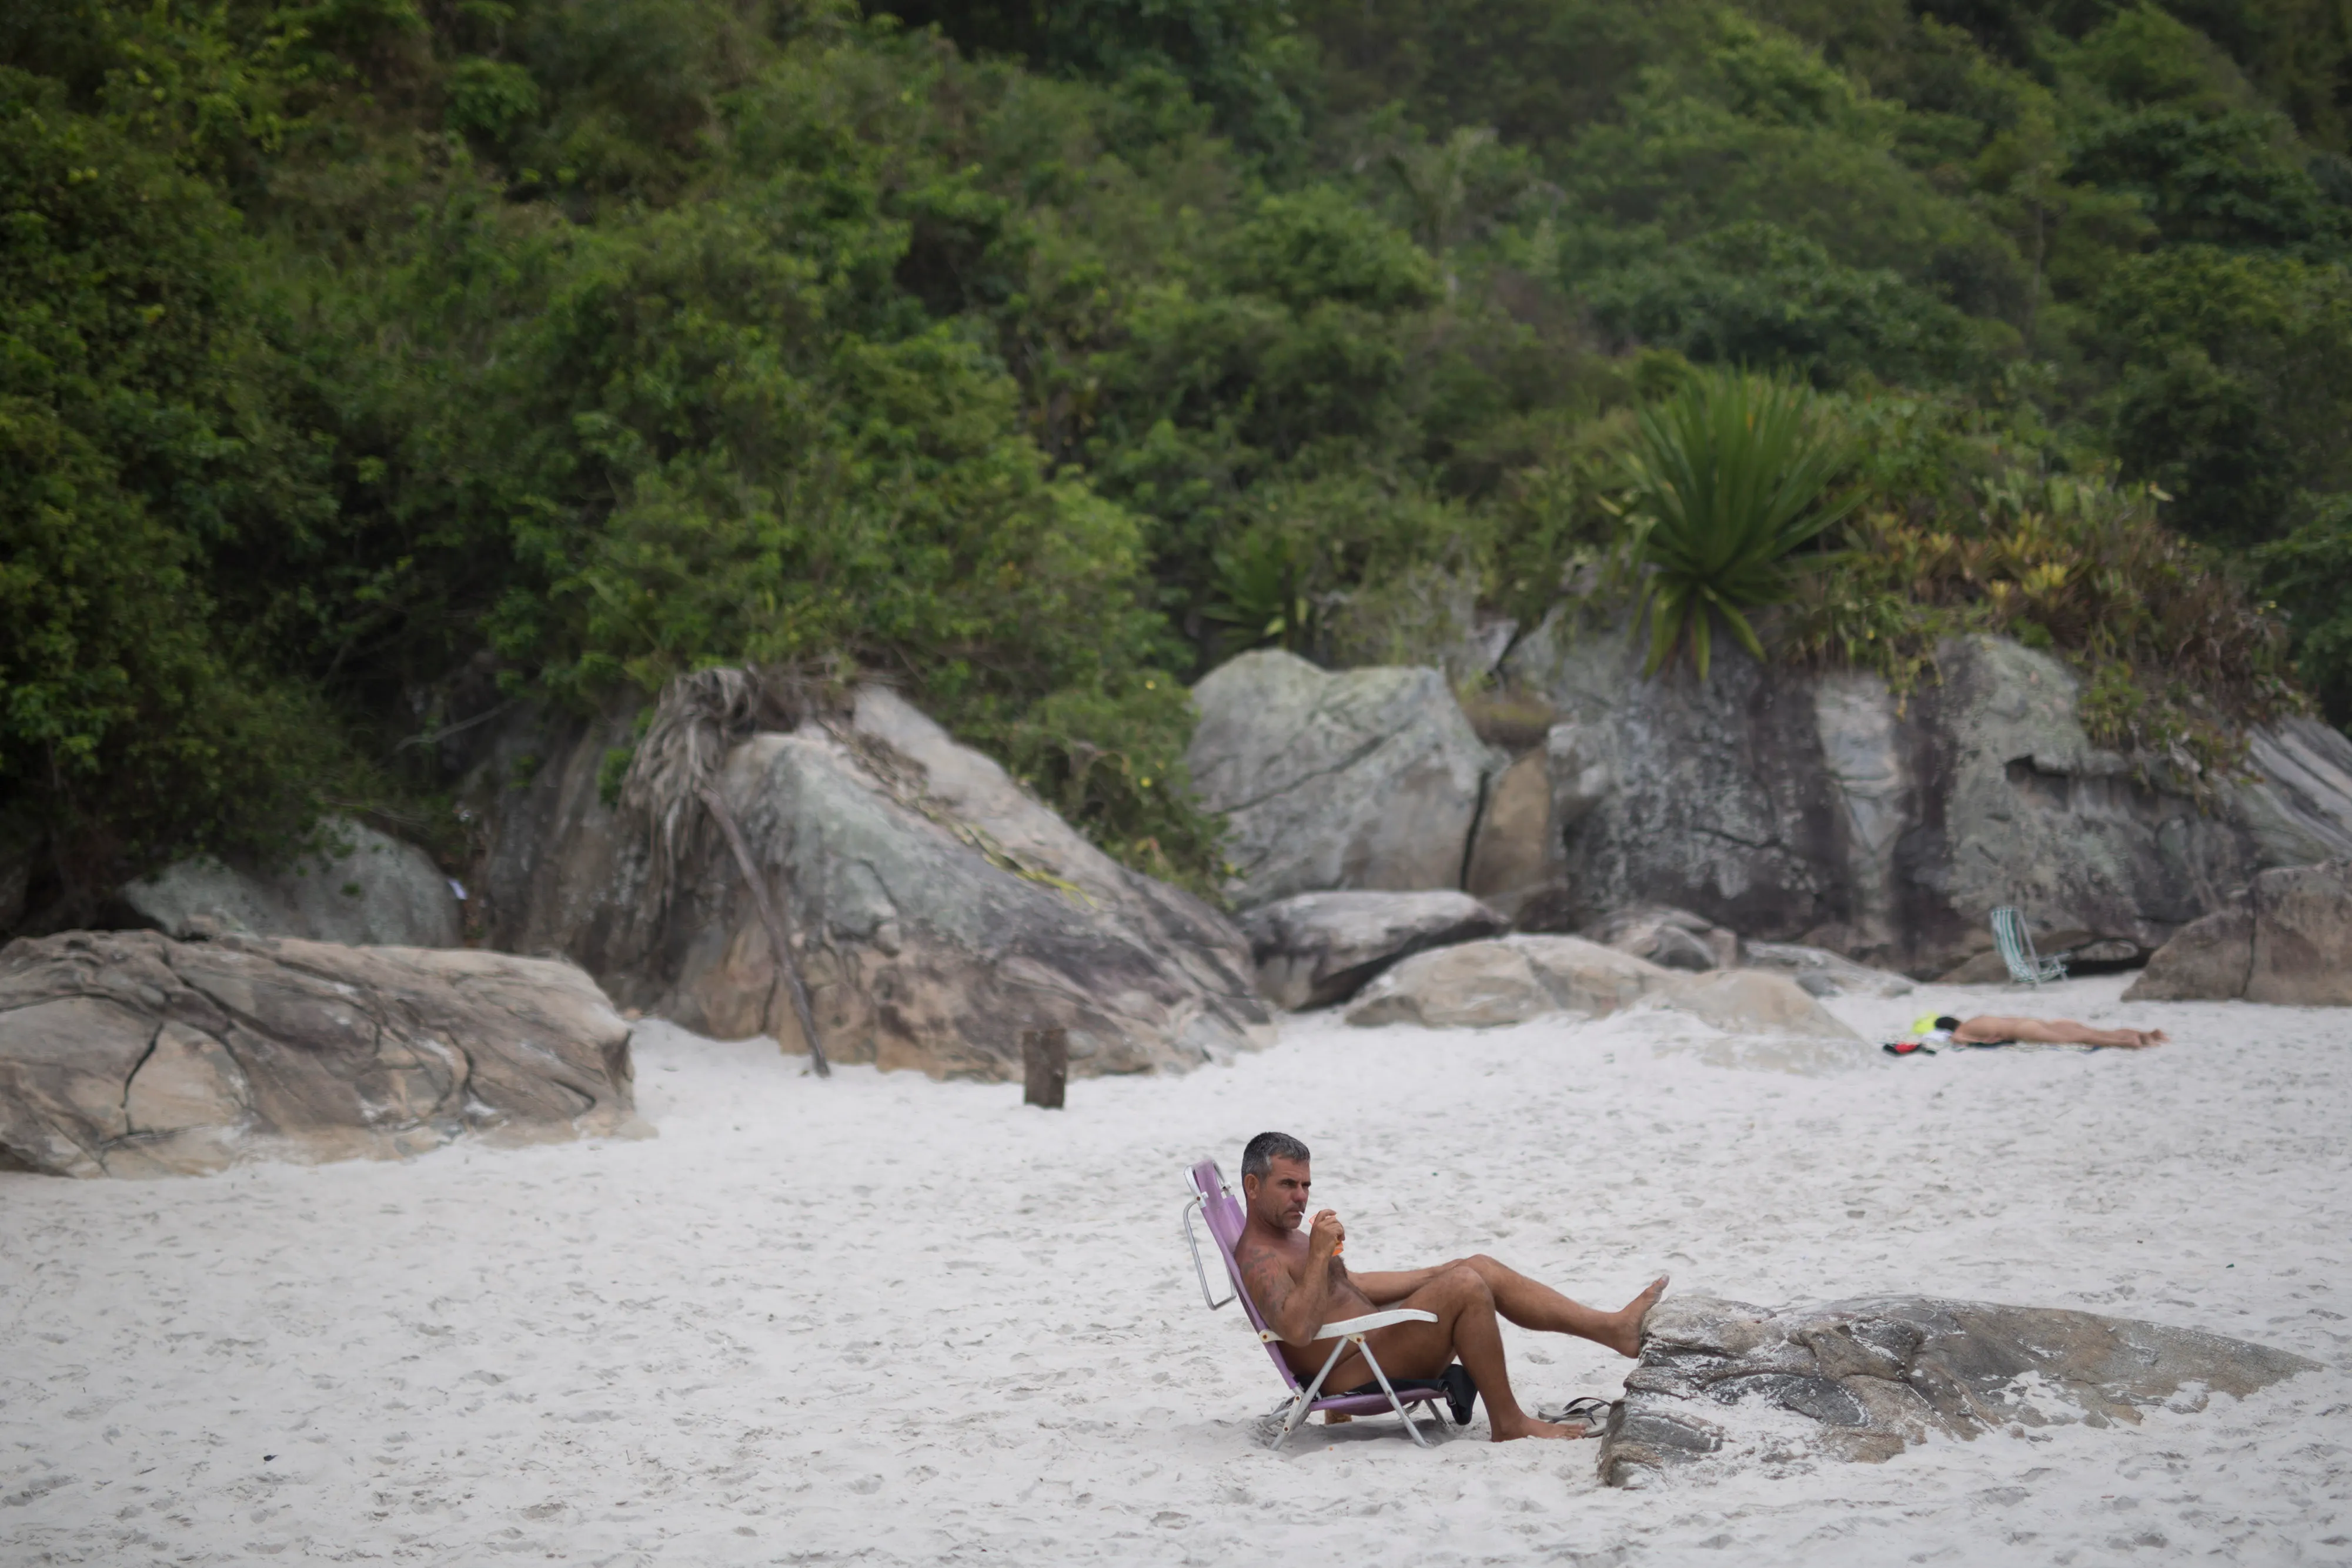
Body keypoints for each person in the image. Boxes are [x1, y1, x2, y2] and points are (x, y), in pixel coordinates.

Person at [1230, 1131, 1666, 1442]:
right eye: (1288, 1184)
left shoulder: (1288, 1236)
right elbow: (1298, 1329)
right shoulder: (1259, 1256)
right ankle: (1509, 1422)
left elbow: (1350, 1284)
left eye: (1306, 1185)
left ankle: (1612, 1329)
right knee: (1465, 1286)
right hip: (1357, 1366)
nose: (1301, 1197)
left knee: (1472, 1266)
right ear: (1253, 1185)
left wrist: (1435, 1270)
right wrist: (1322, 1252)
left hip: (1368, 1344)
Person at [1930, 1012, 2169, 1049]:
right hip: (2037, 1020)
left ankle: (2128, 1043)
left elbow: (1964, 1041)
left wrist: (1985, 1042)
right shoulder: (1978, 1018)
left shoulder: (1961, 1030)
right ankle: (2148, 1034)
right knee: (2094, 1030)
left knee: (2079, 1039)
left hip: (2023, 1030)